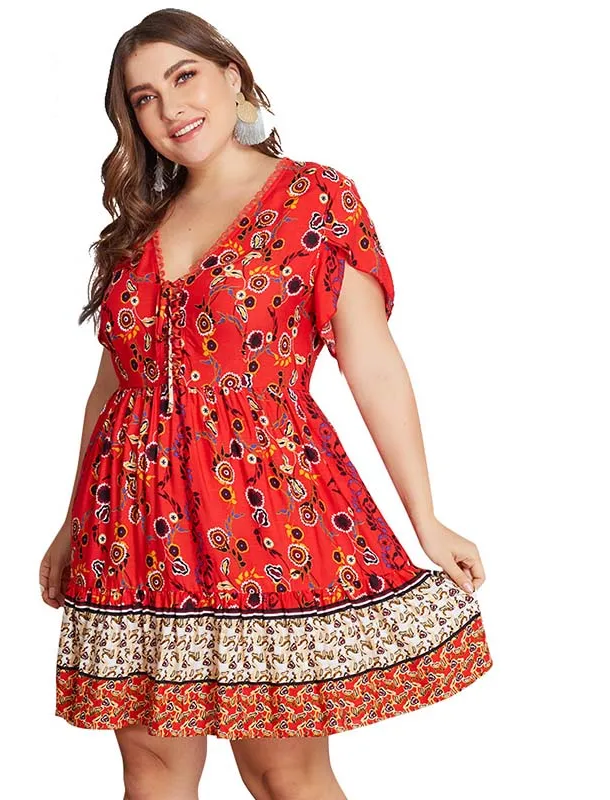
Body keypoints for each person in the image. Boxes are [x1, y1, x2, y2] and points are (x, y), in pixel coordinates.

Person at [39, 9, 493, 800]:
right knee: (150, 767)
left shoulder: (313, 197)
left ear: (233, 77)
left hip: (261, 515)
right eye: (144, 97)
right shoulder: (139, 225)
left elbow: (373, 365)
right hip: (131, 525)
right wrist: (72, 521)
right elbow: (113, 386)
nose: (170, 107)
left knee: (283, 771)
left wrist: (426, 517)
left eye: (184, 77)